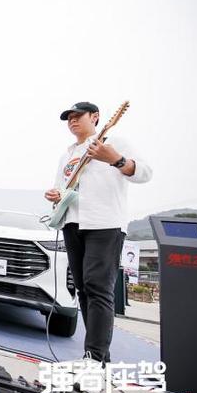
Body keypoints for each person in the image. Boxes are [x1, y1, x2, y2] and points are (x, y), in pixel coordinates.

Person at [44, 101, 152, 367]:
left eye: (78, 115)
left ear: (95, 117)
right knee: (82, 289)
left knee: (98, 288)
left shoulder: (115, 142)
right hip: (72, 223)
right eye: (68, 117)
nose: (72, 120)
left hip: (104, 223)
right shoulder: (67, 154)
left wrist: (116, 159)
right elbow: (63, 189)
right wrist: (56, 194)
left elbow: (145, 173)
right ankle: (100, 359)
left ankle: (93, 357)